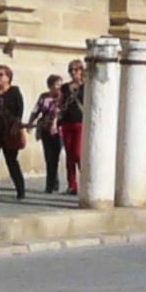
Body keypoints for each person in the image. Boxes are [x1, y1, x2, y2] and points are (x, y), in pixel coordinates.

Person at [0, 64, 28, 201]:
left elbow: (19, 110)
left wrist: (16, 125)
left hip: (9, 131)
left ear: (8, 77)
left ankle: (20, 189)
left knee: (11, 161)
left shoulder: (14, 91)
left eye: (1, 74)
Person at [32, 75, 67, 194]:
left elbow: (62, 113)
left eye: (60, 84)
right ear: (50, 85)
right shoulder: (44, 97)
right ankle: (53, 182)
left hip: (59, 131)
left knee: (54, 157)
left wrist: (55, 123)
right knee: (48, 156)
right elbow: (36, 110)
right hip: (45, 129)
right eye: (56, 84)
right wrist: (30, 122)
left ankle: (51, 184)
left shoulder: (63, 98)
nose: (59, 87)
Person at [59, 56, 89, 191]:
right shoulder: (65, 87)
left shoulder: (86, 86)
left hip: (80, 122)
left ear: (82, 71)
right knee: (69, 155)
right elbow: (61, 103)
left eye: (76, 70)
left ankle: (85, 181)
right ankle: (72, 185)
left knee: (78, 153)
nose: (73, 72)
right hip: (67, 122)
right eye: (71, 70)